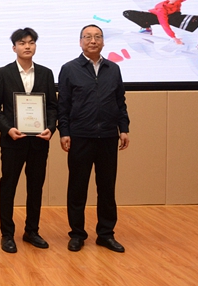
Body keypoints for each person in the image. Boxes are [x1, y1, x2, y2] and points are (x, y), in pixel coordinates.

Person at [58, 25, 130, 253]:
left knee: (107, 188)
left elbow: (120, 101)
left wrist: (124, 128)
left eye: (97, 37)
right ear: (80, 42)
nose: (93, 41)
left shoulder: (113, 69)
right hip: (80, 136)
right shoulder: (69, 69)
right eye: (88, 37)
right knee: (77, 188)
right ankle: (77, 234)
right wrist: (64, 132)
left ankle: (106, 234)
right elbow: (63, 105)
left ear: (103, 42)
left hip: (108, 136)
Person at [0, 28, 58, 253]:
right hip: (13, 141)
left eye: (31, 42)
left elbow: (52, 107)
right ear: (14, 47)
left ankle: (32, 231)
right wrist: (7, 129)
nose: (27, 46)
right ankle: (7, 234)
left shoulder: (46, 73)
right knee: (8, 187)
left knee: (35, 187)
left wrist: (50, 128)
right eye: (22, 43)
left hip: (39, 141)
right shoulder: (3, 73)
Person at [123, 0, 198, 56]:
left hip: (175, 17)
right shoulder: (162, 8)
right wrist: (174, 38)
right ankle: (146, 28)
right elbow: (164, 23)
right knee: (127, 13)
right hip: (161, 17)